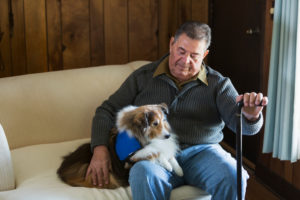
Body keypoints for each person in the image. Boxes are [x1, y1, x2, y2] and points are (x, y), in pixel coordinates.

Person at [86, 21, 268, 200]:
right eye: (181, 51)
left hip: (203, 152)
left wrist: (251, 115)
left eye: (194, 56)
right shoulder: (143, 77)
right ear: (171, 44)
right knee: (143, 173)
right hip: (155, 155)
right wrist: (99, 149)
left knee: (233, 175)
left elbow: (245, 128)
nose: (185, 61)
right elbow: (107, 110)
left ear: (204, 55)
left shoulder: (219, 84)